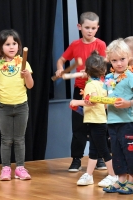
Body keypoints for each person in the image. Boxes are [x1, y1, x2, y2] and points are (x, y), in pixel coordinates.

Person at [56, 12, 107, 172]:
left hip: (98, 89)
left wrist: (93, 72)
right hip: (80, 90)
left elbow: (104, 66)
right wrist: (60, 69)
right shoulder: (75, 45)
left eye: (93, 28)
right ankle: (76, 159)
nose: (90, 31)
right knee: (79, 126)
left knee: (98, 125)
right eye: (87, 28)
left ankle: (99, 158)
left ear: (97, 28)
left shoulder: (101, 45)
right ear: (80, 27)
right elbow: (62, 60)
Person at [0, 29, 34, 181]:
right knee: (6, 140)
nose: (12, 47)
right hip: (3, 107)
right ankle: (6, 169)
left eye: (14, 43)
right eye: (7, 44)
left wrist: (27, 75)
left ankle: (20, 168)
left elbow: (30, 85)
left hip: (21, 106)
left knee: (20, 139)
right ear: (0, 47)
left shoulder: (23, 63)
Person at [70, 51, 118, 187]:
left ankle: (113, 175)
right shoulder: (101, 84)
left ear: (86, 70)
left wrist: (76, 102)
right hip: (97, 120)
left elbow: (92, 100)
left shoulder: (90, 85)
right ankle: (89, 175)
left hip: (97, 122)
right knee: (93, 150)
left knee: (102, 149)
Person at [102, 38, 133, 194]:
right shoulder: (108, 78)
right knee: (117, 152)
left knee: (130, 152)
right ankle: (120, 179)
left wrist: (129, 103)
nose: (119, 63)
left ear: (129, 58)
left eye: (122, 59)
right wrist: (95, 98)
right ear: (109, 61)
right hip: (112, 121)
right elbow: (104, 95)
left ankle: (131, 181)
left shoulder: (130, 76)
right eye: (114, 60)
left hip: (128, 121)